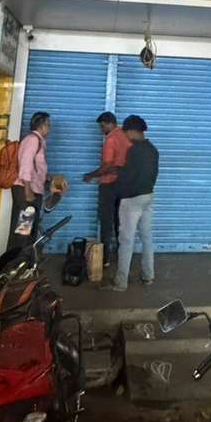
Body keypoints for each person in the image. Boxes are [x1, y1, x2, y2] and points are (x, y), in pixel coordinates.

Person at [102, 115, 159, 292]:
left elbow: (127, 176)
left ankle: (120, 283)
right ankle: (148, 276)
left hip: (131, 199)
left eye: (126, 132)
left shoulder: (133, 150)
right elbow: (152, 174)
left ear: (133, 131)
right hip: (148, 196)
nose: (125, 136)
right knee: (147, 238)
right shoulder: (153, 150)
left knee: (126, 241)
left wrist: (118, 191)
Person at [83, 112, 131, 266]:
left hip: (109, 185)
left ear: (110, 123)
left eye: (102, 126)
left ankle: (104, 259)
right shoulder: (126, 136)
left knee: (106, 220)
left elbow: (107, 166)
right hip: (124, 184)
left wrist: (91, 175)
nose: (101, 130)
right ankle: (122, 255)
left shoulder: (110, 140)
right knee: (120, 221)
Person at [8, 111, 50, 249]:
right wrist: (27, 190)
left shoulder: (38, 141)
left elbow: (36, 166)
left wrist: (47, 177)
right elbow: (25, 164)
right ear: (41, 126)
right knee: (24, 230)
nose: (49, 128)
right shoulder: (32, 140)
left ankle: (25, 259)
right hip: (26, 189)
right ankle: (17, 260)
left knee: (28, 229)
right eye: (48, 124)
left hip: (33, 188)